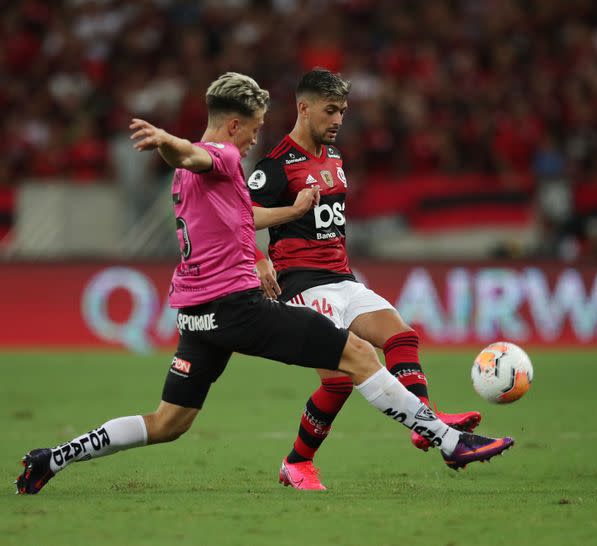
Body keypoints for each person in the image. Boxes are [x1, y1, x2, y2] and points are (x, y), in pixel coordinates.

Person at [15, 72, 514, 495]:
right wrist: (170, 142)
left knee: (168, 423)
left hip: (197, 314)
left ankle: (54, 457)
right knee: (358, 356)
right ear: (234, 124)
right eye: (252, 129)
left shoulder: (189, 179)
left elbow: (230, 207)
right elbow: (195, 155)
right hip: (240, 310)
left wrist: (291, 213)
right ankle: (450, 443)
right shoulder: (225, 158)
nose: (256, 139)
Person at [248, 68, 482, 490]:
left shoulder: (335, 159)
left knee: (402, 337)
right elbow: (240, 217)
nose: (338, 119)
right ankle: (297, 463)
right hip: (300, 284)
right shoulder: (276, 164)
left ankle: (423, 421)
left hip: (343, 278)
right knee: (337, 381)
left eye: (343, 111)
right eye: (330, 110)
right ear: (304, 108)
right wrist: (259, 257)